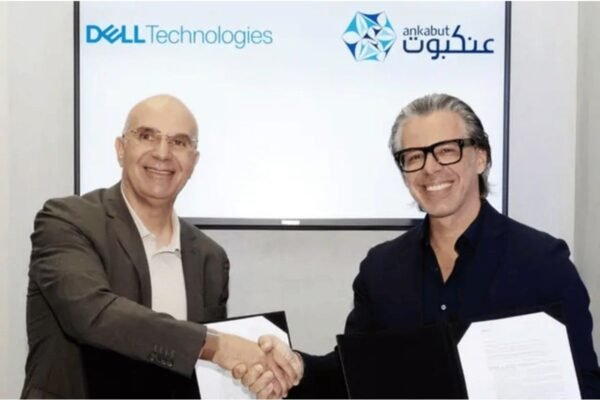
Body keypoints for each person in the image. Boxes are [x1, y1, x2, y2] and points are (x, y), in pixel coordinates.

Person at [248, 93, 600, 398]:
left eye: (446, 151)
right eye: (413, 156)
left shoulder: (542, 262)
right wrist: (296, 366)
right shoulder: (381, 268)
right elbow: (353, 374)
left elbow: (585, 385)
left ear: (480, 157)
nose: (429, 169)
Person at [21, 94, 302, 398]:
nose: (163, 153)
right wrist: (218, 345)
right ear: (120, 148)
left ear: (193, 162)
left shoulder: (210, 258)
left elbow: (202, 370)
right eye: (147, 136)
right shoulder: (66, 220)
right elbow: (93, 315)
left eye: (179, 142)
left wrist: (265, 372)